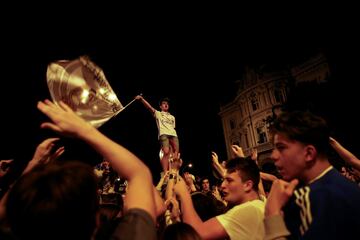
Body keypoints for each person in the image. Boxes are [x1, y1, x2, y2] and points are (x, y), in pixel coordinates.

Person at [5, 100, 157, 240]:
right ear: (96, 222)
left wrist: (34, 163)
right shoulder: (97, 169)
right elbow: (139, 174)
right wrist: (85, 130)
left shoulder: (12, 218)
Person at [264, 111, 360, 240]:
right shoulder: (347, 187)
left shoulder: (310, 197)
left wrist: (272, 215)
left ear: (309, 153)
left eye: (281, 148)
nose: (273, 156)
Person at [174, 157, 265, 240]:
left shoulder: (248, 210)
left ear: (248, 185)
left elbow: (194, 234)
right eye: (224, 180)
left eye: (229, 180)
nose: (223, 185)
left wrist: (184, 194)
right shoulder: (261, 203)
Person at [136, 95, 179, 174]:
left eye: (167, 104)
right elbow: (149, 107)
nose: (166, 105)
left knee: (176, 153)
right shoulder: (158, 113)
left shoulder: (172, 117)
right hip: (164, 134)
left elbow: (173, 127)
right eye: (164, 103)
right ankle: (165, 172)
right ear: (160, 106)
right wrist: (142, 99)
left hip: (173, 134)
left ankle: (173, 170)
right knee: (166, 152)